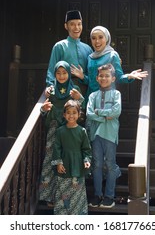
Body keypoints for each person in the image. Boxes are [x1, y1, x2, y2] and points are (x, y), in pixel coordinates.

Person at [39, 61, 84, 207]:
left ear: (69, 74)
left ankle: (64, 197)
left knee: (65, 161)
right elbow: (44, 110)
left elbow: (81, 108)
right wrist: (44, 109)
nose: (61, 76)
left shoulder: (74, 90)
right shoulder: (51, 91)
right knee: (51, 160)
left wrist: (79, 98)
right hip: (53, 130)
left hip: (68, 131)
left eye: (64, 73)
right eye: (58, 73)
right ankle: (48, 196)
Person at [71, 25, 148, 102]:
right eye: (94, 38)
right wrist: (82, 76)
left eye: (100, 37)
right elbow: (92, 82)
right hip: (91, 99)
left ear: (107, 38)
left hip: (107, 100)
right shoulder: (90, 57)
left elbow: (119, 77)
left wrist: (130, 76)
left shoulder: (112, 55)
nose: (97, 41)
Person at [86, 63, 121, 208]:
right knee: (97, 164)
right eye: (101, 75)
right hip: (95, 134)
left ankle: (109, 196)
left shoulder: (116, 94)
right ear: (97, 78)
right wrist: (104, 117)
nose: (104, 78)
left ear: (113, 78)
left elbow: (116, 111)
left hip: (110, 134)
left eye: (107, 76)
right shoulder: (93, 95)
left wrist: (99, 112)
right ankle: (97, 194)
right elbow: (89, 113)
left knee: (110, 164)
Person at [51, 100, 92, 215]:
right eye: (68, 112)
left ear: (79, 115)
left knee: (77, 192)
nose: (71, 115)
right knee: (62, 191)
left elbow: (86, 149)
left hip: (77, 166)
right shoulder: (60, 131)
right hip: (64, 164)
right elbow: (57, 148)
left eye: (74, 112)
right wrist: (58, 163)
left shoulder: (82, 131)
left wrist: (86, 160)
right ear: (64, 115)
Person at [45, 10, 93, 97]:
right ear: (66, 26)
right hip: (64, 90)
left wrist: (83, 76)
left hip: (84, 91)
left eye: (79, 24)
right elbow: (52, 70)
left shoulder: (88, 49)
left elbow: (93, 73)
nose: (76, 27)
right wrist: (50, 87)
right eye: (72, 24)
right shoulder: (59, 46)